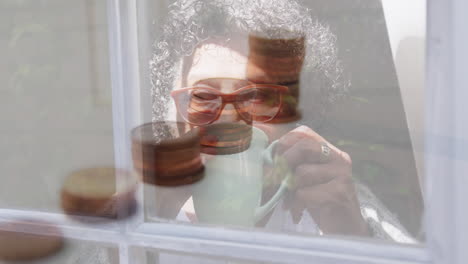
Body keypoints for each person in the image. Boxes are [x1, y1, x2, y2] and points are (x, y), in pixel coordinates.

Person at [148, 0, 418, 244]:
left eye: (257, 96)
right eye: (203, 96)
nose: (229, 118)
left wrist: (354, 236)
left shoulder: (332, 205)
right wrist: (145, 222)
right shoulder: (138, 213)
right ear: (167, 111)